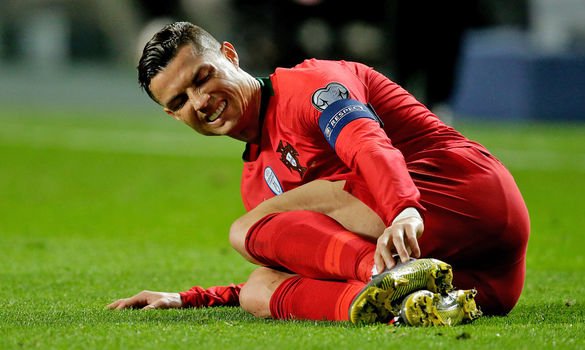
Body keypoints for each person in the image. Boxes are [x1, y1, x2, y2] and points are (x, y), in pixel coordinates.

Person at [107, 21, 529, 326]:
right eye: (180, 100)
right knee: (260, 290)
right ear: (172, 115)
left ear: (230, 56)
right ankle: (401, 308)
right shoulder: (256, 182)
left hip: (464, 197)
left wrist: (404, 208)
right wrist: (189, 299)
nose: (199, 101)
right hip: (481, 281)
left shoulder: (309, 85)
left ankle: (383, 277)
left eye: (203, 77)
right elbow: (313, 264)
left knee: (250, 228)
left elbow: (367, 144)